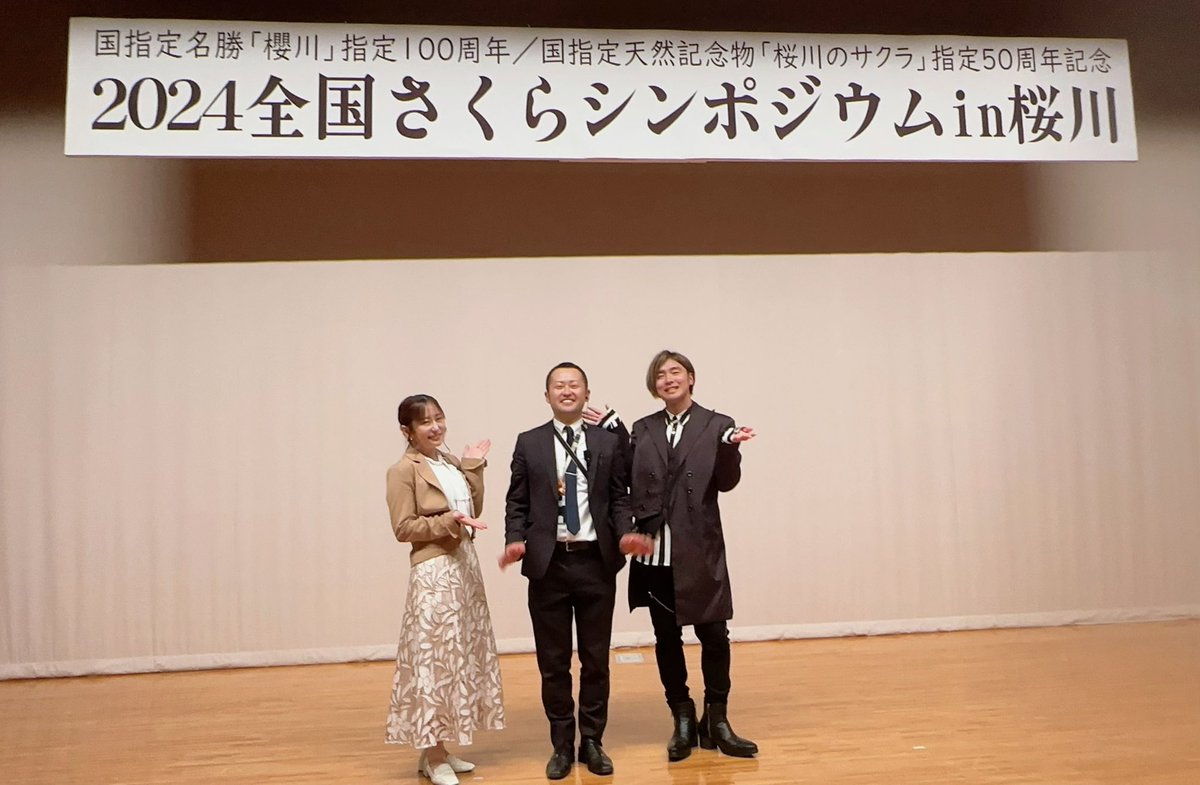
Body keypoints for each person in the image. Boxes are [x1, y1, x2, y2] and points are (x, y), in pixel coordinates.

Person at [587, 349, 758, 762]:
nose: (668, 379)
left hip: (699, 548)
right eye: (660, 375)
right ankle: (682, 717)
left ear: (691, 377)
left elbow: (726, 482)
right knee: (666, 637)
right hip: (655, 552)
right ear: (655, 385)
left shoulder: (718, 424)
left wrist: (730, 448)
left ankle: (716, 719)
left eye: (675, 372)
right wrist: (616, 430)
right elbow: (628, 476)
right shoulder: (643, 428)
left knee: (714, 635)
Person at [500, 362, 648, 780]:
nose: (567, 391)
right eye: (558, 386)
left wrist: (626, 532)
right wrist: (515, 538)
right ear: (547, 395)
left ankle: (593, 742)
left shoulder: (606, 442)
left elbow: (619, 497)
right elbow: (517, 501)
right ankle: (562, 745)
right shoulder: (529, 442)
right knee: (553, 663)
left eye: (574, 385)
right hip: (548, 565)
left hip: (595, 564)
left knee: (596, 660)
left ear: (586, 393)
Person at [385, 394, 505, 785]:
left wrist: (472, 466)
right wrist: (447, 521)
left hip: (464, 566)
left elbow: (474, 510)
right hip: (434, 571)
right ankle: (434, 756)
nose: (435, 427)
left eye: (439, 418)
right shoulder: (403, 470)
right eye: (425, 422)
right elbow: (403, 528)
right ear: (407, 430)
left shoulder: (448, 462)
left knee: (457, 659)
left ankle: (437, 750)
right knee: (434, 662)